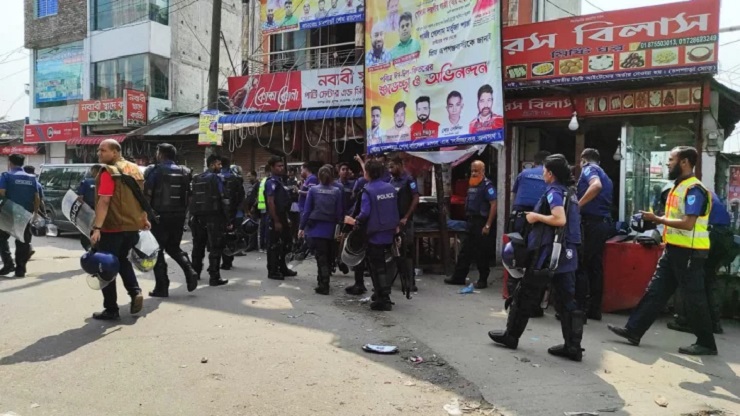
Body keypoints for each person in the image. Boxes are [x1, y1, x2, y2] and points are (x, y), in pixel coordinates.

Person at [608, 146, 718, 356]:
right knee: (655, 291)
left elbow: (688, 223)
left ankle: (706, 343)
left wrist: (657, 219)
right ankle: (633, 330)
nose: (668, 163)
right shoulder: (679, 186)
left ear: (684, 162)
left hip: (690, 252)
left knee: (694, 297)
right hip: (674, 249)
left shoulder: (694, 189)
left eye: (671, 159)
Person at [489, 154, 585, 362]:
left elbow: (559, 219)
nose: (543, 173)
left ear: (550, 173)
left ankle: (511, 336)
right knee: (567, 301)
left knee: (525, 294)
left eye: (544, 170)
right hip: (567, 254)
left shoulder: (554, 191)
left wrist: (535, 217)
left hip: (548, 254)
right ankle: (573, 347)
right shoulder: (570, 192)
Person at [89, 140, 149, 320]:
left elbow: (104, 201)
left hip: (112, 227)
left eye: (103, 150)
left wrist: (97, 228)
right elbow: (141, 198)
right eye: (98, 150)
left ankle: (111, 309)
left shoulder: (108, 171)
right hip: (132, 226)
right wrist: (144, 218)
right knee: (122, 260)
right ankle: (135, 292)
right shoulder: (135, 169)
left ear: (115, 152)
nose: (99, 153)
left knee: (106, 266)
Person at [668, 191, 733, 335]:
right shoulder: (707, 192)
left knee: (693, 280)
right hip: (724, 237)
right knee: (708, 279)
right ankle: (714, 323)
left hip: (711, 237)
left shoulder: (691, 193)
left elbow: (686, 222)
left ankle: (690, 322)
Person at [144, 143, 198, 297]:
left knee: (157, 251)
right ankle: (190, 270)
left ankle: (162, 287)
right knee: (173, 247)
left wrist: (145, 215)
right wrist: (185, 215)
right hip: (178, 217)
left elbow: (147, 195)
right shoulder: (185, 171)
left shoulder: (154, 171)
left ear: (161, 154)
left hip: (158, 217)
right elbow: (190, 197)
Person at [344, 160, 399, 311]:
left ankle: (383, 298)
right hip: (390, 231)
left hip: (374, 233)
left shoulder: (367, 191)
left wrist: (353, 221)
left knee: (376, 266)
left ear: (367, 173)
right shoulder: (390, 188)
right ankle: (379, 293)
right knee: (383, 263)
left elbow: (365, 213)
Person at [445, 160, 496, 289]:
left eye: (476, 171)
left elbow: (494, 204)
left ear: (483, 171)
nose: (473, 173)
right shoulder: (472, 184)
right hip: (471, 221)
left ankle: (482, 280)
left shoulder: (487, 186)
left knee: (481, 252)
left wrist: (488, 225)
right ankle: (458, 277)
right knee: (465, 250)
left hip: (481, 221)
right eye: (472, 170)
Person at [576, 148, 614, 320]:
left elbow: (595, 185)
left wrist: (578, 205)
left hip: (591, 223)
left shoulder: (589, 169)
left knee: (581, 265)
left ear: (584, 160)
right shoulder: (606, 175)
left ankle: (579, 310)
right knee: (595, 267)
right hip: (602, 224)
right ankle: (594, 309)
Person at [299, 165, 343, 294]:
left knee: (321, 257)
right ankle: (324, 279)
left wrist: (301, 227)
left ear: (319, 177)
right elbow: (339, 212)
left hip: (316, 228)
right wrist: (340, 229)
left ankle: (323, 283)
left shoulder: (313, 190)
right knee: (329, 256)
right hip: (331, 229)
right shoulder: (337, 191)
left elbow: (307, 211)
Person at [189, 155, 229, 287]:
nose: (220, 167)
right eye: (218, 164)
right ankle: (214, 277)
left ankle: (195, 273)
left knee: (198, 246)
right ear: (212, 165)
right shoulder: (217, 178)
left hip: (198, 217)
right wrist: (228, 218)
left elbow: (191, 197)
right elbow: (224, 198)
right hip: (214, 217)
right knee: (215, 247)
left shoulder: (196, 178)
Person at [0, 154, 40, 278]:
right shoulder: (32, 178)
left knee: (1, 238)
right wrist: (35, 214)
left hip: (8, 213)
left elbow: (1, 193)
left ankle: (8, 263)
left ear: (10, 163)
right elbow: (37, 197)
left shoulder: (6, 176)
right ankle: (20, 270)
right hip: (25, 214)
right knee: (23, 241)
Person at [265, 156, 298, 280]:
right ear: (272, 167)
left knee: (285, 243)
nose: (281, 168)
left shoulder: (280, 181)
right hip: (276, 216)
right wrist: (276, 221)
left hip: (283, 215)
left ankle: (283, 268)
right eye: (278, 166)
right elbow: (271, 202)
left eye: (282, 165)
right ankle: (273, 271)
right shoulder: (271, 182)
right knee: (274, 245)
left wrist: (286, 219)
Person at [389, 156, 419, 293]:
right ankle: (393, 280)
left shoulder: (409, 180)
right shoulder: (392, 181)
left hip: (405, 221)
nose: (390, 170)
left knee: (407, 250)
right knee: (394, 250)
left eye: (392, 167)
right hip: (393, 221)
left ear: (400, 165)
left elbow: (416, 198)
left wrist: (406, 217)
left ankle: (410, 282)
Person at [219, 157, 246, 270]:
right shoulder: (236, 179)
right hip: (235, 213)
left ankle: (225, 262)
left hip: (221, 213)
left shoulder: (217, 178)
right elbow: (241, 196)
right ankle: (229, 260)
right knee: (231, 236)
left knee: (222, 237)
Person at [76, 165, 102, 251]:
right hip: (102, 213)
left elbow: (80, 198)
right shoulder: (105, 181)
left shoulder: (86, 182)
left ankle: (90, 249)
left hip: (88, 213)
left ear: (93, 171)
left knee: (86, 233)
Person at [243, 170, 259, 251]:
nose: (248, 178)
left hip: (254, 209)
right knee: (249, 227)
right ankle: (251, 244)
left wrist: (254, 206)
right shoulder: (251, 186)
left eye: (249, 176)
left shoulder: (258, 185)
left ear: (254, 176)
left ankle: (252, 245)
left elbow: (258, 197)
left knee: (252, 227)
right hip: (249, 209)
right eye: (247, 177)